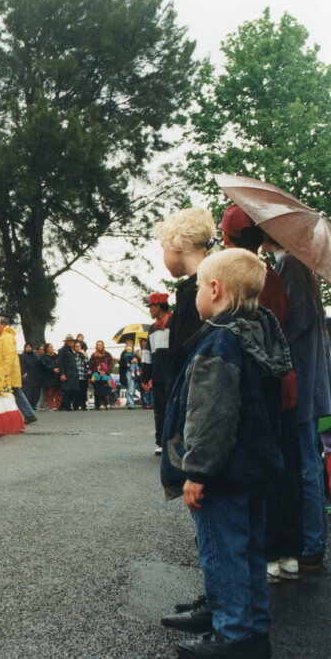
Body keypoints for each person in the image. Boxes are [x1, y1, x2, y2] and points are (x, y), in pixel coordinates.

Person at [159, 248, 289, 658]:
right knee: (250, 552)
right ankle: (254, 632)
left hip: (222, 474)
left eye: (198, 287)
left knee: (223, 554)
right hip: (255, 469)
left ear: (215, 289)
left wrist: (197, 473)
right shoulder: (260, 334)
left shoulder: (219, 342)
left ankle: (230, 634)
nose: (196, 293)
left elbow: (212, 415)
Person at [220, 204, 302, 583]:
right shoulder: (273, 273)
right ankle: (290, 552)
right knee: (287, 467)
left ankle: (267, 552)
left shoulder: (237, 273)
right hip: (284, 377)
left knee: (260, 465)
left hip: (255, 379)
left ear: (226, 236)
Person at [263, 230, 331, 575]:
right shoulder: (295, 262)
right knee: (310, 460)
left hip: (302, 379)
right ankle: (311, 542)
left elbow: (296, 320)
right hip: (312, 378)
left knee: (306, 463)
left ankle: (312, 545)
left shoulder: (289, 262)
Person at [154, 207, 219, 386]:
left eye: (164, 248)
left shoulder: (194, 292)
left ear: (179, 245)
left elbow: (184, 356)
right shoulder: (217, 282)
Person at [0, 317, 37, 424]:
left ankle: (5, 417)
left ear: (3, 325)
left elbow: (8, 356)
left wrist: (6, 372)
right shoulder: (6, 337)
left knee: (6, 393)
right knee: (16, 392)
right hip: (9, 371)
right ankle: (29, 414)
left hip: (7, 372)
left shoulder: (6, 338)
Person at [147, 293, 172, 453]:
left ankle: (174, 442)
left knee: (173, 409)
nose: (150, 310)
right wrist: (146, 375)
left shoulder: (175, 324)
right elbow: (147, 353)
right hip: (157, 376)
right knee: (159, 410)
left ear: (158, 307)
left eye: (151, 307)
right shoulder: (152, 328)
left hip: (172, 375)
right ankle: (161, 442)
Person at [19, 342, 43, 410]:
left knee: (36, 393)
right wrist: (24, 375)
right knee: (28, 393)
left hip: (36, 377)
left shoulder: (35, 356)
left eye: (30, 347)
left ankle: (33, 406)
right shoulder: (22, 356)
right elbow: (21, 367)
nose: (29, 348)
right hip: (27, 378)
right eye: (27, 347)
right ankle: (28, 407)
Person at [40, 343, 63, 411]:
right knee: (50, 394)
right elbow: (45, 365)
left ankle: (59, 406)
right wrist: (52, 369)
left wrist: (59, 369)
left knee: (59, 393)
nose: (51, 349)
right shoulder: (44, 357)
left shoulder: (56, 356)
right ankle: (51, 407)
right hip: (49, 377)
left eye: (52, 347)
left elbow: (60, 363)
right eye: (50, 347)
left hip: (58, 377)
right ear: (46, 349)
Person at [118, 343, 137, 408]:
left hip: (135, 371)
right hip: (129, 371)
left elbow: (138, 362)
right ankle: (130, 404)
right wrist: (131, 362)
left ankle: (131, 402)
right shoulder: (124, 354)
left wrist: (137, 360)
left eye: (131, 345)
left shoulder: (135, 354)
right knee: (130, 387)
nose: (130, 347)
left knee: (133, 387)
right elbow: (123, 364)